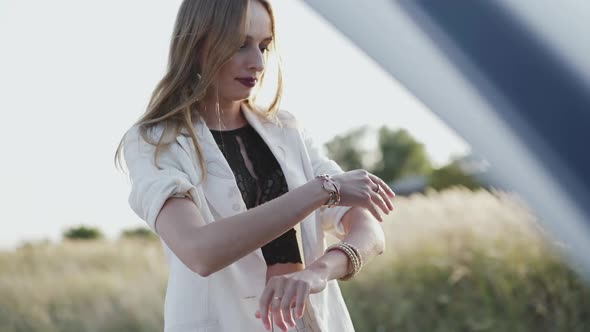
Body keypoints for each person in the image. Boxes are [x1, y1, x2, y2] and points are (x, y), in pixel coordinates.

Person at [115, 0, 395, 331]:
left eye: (264, 46)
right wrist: (321, 191)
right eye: (240, 45)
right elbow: (199, 251)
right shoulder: (156, 141)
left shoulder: (287, 130)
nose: (258, 63)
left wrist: (316, 273)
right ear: (197, 44)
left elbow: (369, 232)